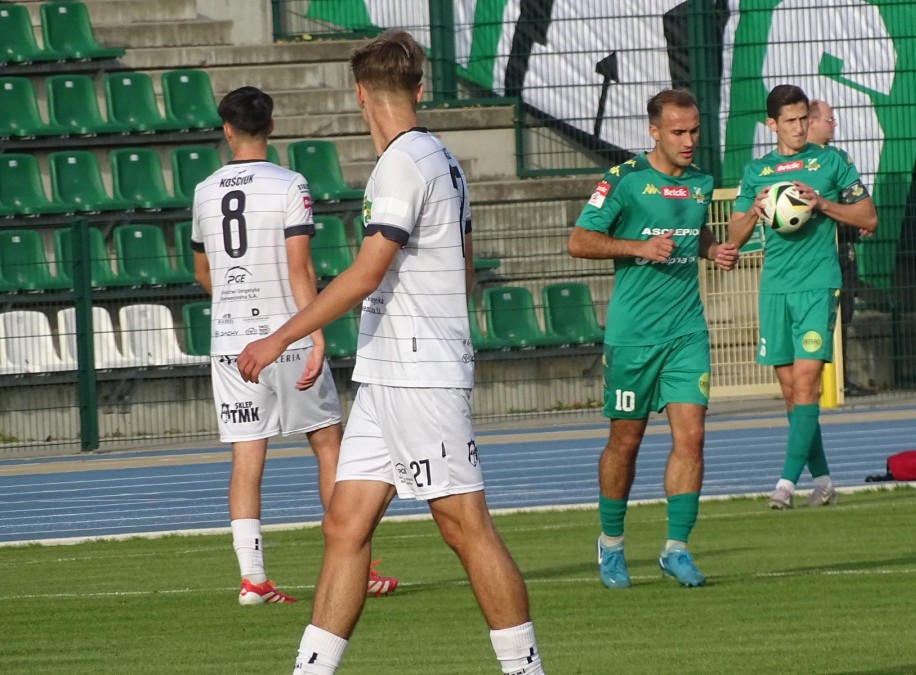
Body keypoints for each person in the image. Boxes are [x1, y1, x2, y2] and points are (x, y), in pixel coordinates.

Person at [236, 32, 544, 675]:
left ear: (359, 94)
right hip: (390, 372)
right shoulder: (441, 157)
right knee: (345, 526)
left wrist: (279, 337)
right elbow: (463, 267)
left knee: (465, 527)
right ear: (418, 90)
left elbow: (367, 271)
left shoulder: (403, 163)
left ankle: (525, 669)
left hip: (418, 374)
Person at [191, 86, 397, 605]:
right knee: (329, 444)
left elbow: (202, 268)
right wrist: (314, 334)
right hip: (285, 333)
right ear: (271, 127)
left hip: (230, 341)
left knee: (246, 457)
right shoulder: (289, 183)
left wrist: (233, 309)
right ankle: (357, 567)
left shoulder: (205, 191)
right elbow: (299, 266)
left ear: (227, 130)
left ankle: (253, 579)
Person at [567, 88, 738, 589]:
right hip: (633, 337)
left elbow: (693, 230)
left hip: (686, 331)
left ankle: (676, 549)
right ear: (654, 131)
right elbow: (579, 241)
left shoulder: (701, 183)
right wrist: (637, 247)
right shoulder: (623, 180)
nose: (689, 141)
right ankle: (611, 544)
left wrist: (712, 250)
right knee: (626, 442)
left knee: (693, 437)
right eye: (678, 132)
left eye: (694, 131)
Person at [725, 84, 878, 510]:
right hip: (775, 288)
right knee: (793, 392)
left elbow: (868, 217)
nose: (798, 128)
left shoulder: (831, 161)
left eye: (803, 119)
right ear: (771, 124)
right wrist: (754, 210)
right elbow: (733, 237)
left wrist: (823, 204)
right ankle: (824, 482)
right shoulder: (757, 172)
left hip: (818, 284)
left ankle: (785, 485)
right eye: (789, 121)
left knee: (808, 382)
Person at [805, 99, 870, 396]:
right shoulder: (790, 163)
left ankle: (839, 380)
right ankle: (811, 380)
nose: (834, 125)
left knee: (844, 315)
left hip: (842, 248)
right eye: (829, 120)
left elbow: (857, 203)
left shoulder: (838, 159)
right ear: (811, 122)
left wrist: (859, 220)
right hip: (811, 255)